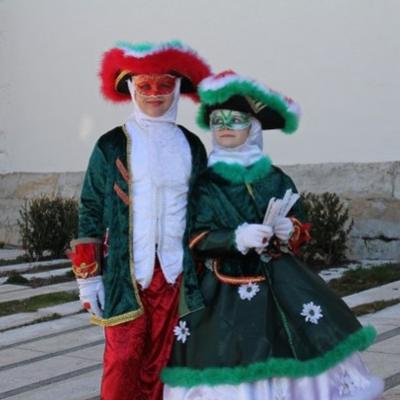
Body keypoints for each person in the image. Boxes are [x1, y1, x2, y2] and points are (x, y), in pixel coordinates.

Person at [162, 71, 384, 400]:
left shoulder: (275, 177)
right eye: (218, 119)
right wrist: (235, 238)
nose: (224, 126)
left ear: (252, 127)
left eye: (235, 120)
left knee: (305, 340)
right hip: (224, 287)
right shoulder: (204, 182)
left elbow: (301, 224)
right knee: (230, 351)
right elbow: (193, 235)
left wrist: (288, 229)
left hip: (282, 280)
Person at [67, 40, 211, 400]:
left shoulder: (192, 145)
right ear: (131, 87)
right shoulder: (110, 145)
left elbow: (205, 208)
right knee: (123, 358)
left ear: (176, 88)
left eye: (164, 85)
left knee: (167, 361)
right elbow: (90, 208)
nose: (155, 94)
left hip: (177, 275)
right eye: (145, 85)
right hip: (124, 275)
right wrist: (88, 279)